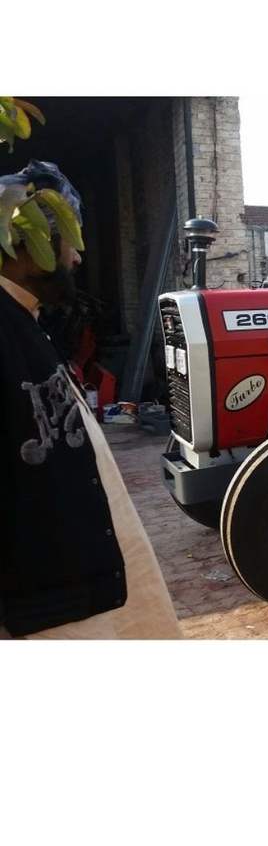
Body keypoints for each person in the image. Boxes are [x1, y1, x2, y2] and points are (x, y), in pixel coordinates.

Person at [0, 161, 181, 639]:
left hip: (81, 593)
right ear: (28, 241)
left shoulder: (25, 321)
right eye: (71, 240)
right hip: (47, 613)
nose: (78, 257)